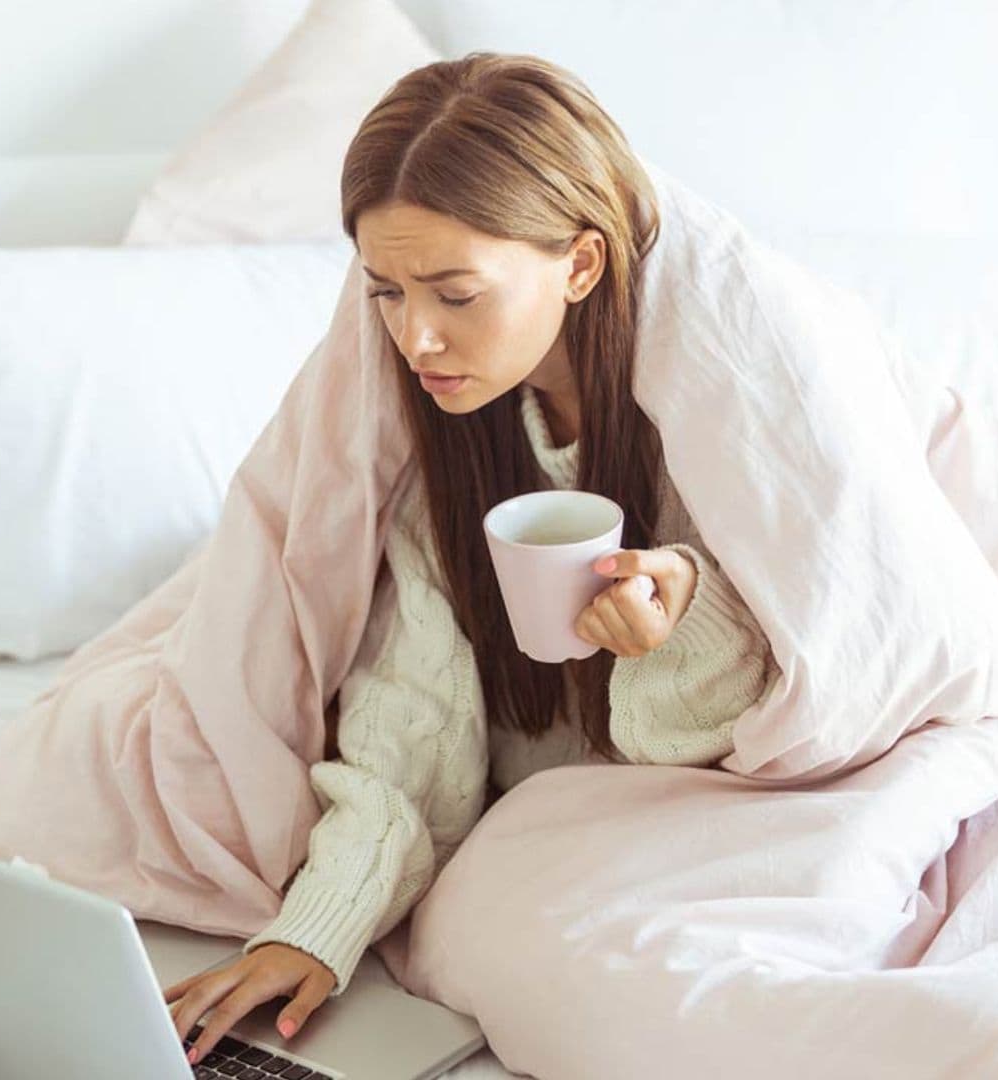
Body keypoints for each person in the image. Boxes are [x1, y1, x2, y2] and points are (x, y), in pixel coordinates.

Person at [164, 52, 779, 1064]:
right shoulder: (444, 452)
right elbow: (409, 719)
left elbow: (768, 725)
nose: (417, 337)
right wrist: (314, 933)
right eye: (388, 294)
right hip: (541, 839)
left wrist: (682, 619)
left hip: (683, 821)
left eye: (455, 294)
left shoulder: (707, 425)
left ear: (580, 265)